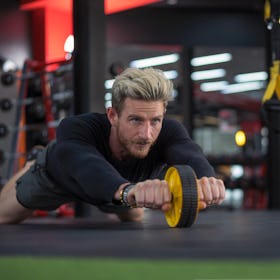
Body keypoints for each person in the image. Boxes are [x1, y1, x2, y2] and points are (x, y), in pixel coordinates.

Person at [0, 67, 225, 224]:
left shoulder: (170, 130)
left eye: (155, 120)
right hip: (60, 178)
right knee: (4, 217)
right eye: (135, 120)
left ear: (163, 115)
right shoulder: (76, 128)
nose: (146, 134)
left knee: (134, 217)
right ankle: (33, 161)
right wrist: (129, 190)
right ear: (113, 115)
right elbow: (87, 166)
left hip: (121, 189)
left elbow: (189, 154)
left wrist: (207, 181)